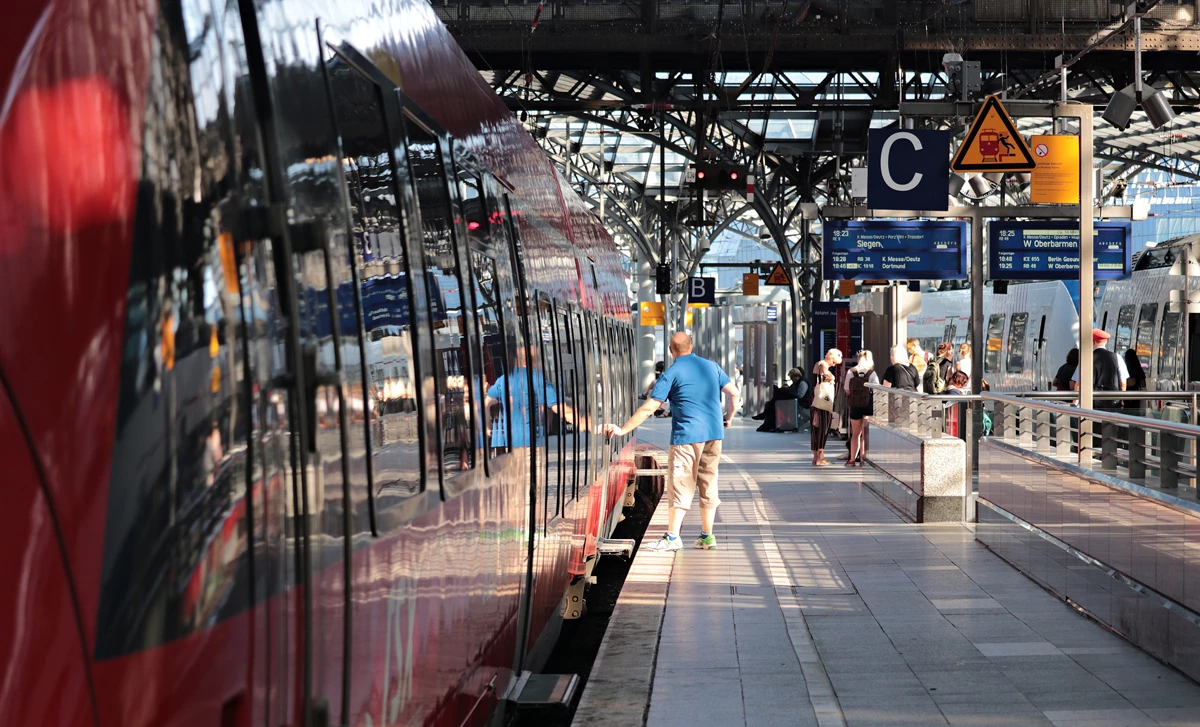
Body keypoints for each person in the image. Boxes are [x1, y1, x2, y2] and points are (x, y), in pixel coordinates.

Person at [604, 332, 738, 552]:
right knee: (708, 482)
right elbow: (734, 394)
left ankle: (673, 537)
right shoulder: (712, 367)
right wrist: (728, 418)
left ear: (670, 350)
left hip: (686, 437)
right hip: (714, 435)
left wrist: (623, 429)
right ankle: (707, 536)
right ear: (691, 346)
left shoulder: (672, 373)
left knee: (680, 485)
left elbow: (650, 407)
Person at [1071, 329, 1128, 408]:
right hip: (1113, 403)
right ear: (1106, 342)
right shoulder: (1117, 357)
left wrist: (1075, 404)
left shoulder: (1086, 359)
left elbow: (1078, 385)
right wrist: (1121, 400)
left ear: (1093, 342)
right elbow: (1123, 383)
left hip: (1091, 403)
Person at [810, 348, 843, 466]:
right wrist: (831, 377)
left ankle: (815, 456)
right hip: (822, 401)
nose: (834, 364)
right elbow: (825, 372)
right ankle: (821, 456)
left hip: (815, 400)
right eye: (834, 362)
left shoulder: (817, 364)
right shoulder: (823, 364)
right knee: (823, 427)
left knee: (815, 427)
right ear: (831, 357)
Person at [844, 350, 878, 467]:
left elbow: (847, 389)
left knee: (856, 434)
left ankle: (852, 459)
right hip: (868, 405)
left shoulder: (851, 372)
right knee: (866, 434)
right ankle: (863, 459)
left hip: (855, 405)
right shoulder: (871, 373)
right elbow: (877, 389)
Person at [753, 367, 807, 432]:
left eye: (791, 378)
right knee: (774, 403)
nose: (791, 380)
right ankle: (766, 421)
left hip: (801, 403)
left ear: (795, 376)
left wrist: (788, 393)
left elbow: (800, 395)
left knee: (774, 402)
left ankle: (764, 418)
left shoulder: (802, 383)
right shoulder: (797, 383)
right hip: (793, 402)